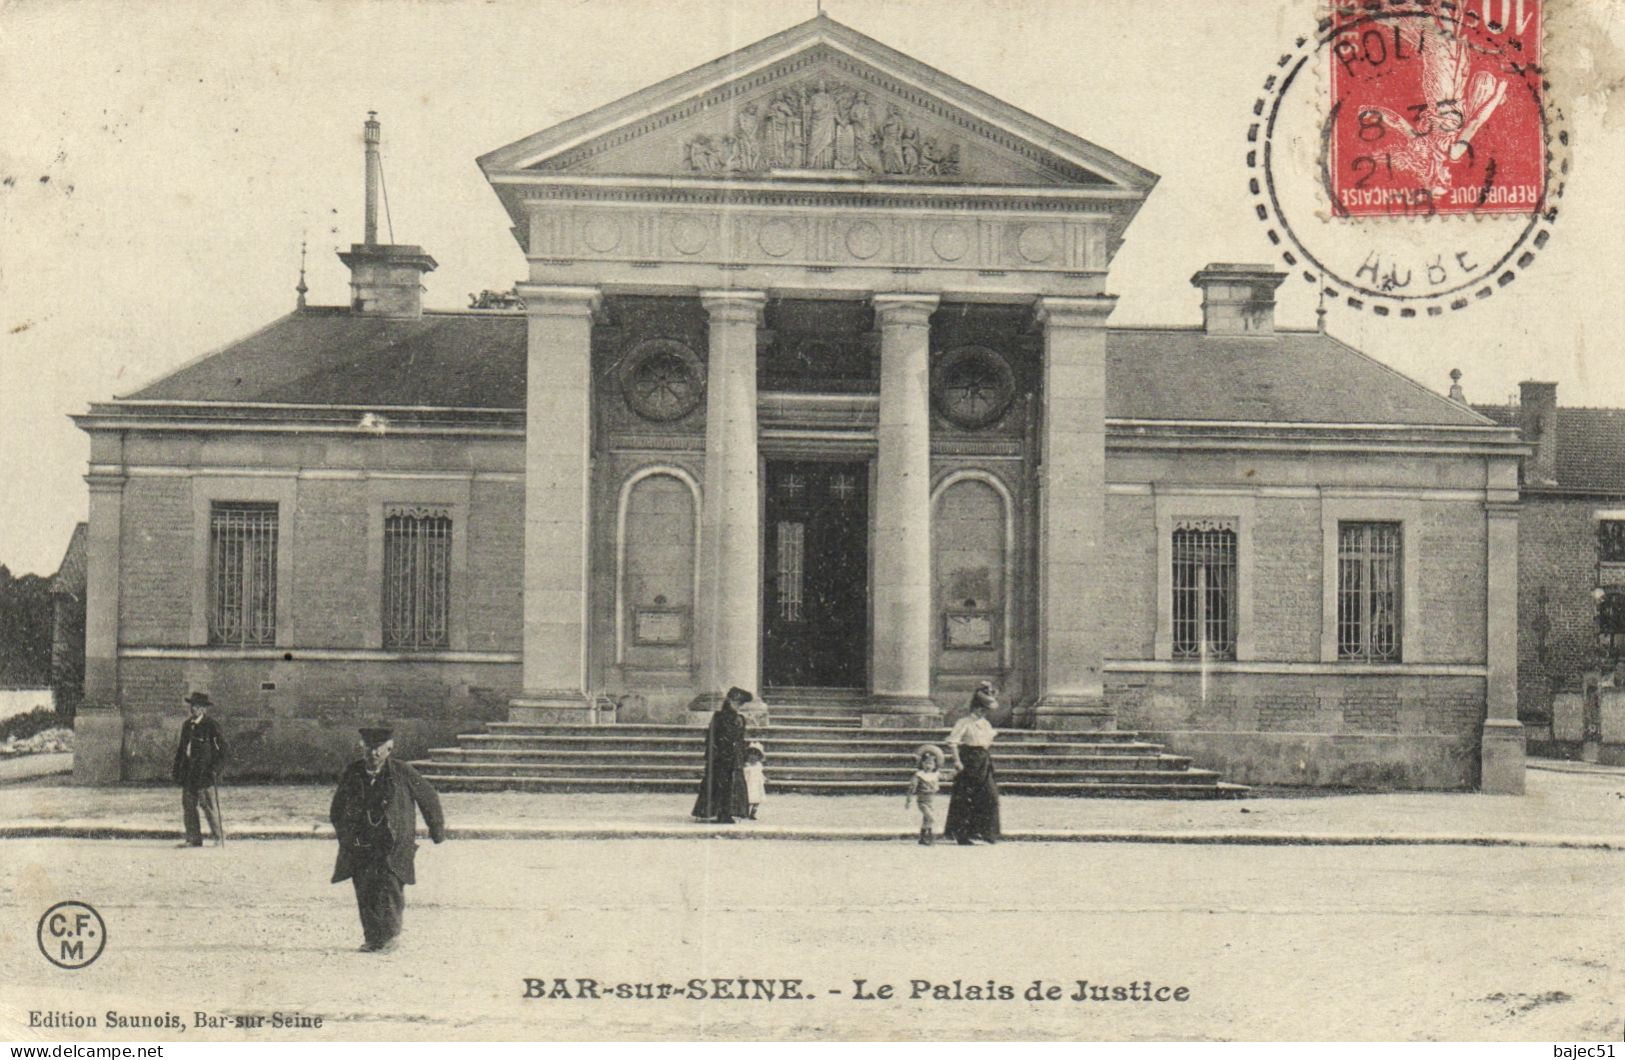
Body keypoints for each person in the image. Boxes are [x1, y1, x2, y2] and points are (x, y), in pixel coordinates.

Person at [329, 726, 446, 954]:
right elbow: (337, 808)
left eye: (378, 750)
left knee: (390, 888)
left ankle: (390, 936)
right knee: (365, 888)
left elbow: (428, 796)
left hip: (392, 843)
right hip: (362, 844)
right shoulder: (353, 772)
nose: (373, 755)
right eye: (369, 750)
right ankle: (372, 938)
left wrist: (437, 830)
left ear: (389, 749)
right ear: (361, 748)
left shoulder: (402, 772)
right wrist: (346, 835)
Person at [944, 682, 1001, 846]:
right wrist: (957, 761)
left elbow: (987, 742)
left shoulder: (985, 724)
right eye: (981, 709)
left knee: (990, 795)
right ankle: (962, 834)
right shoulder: (964, 722)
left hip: (983, 760)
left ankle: (985, 832)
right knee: (966, 798)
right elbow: (953, 742)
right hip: (968, 759)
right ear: (975, 708)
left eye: (985, 710)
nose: (983, 713)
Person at [171, 690, 228, 848]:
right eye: (192, 706)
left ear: (204, 709)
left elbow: (222, 750)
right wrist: (177, 770)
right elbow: (181, 750)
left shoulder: (211, 726)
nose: (193, 709)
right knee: (188, 805)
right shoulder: (187, 726)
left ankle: (218, 837)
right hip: (189, 772)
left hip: (205, 773)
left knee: (208, 806)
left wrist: (215, 770)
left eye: (197, 706)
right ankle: (194, 838)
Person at [691, 687, 752, 823]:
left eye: (741, 703)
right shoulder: (718, 717)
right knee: (718, 785)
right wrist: (714, 755)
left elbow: (741, 740)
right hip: (720, 758)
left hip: (734, 757)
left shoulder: (740, 719)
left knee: (732, 785)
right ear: (729, 701)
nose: (738, 706)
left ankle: (728, 813)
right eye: (736, 702)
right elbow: (711, 738)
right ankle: (718, 813)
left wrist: (743, 756)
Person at [904, 744, 943, 846]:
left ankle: (924, 836)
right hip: (922, 801)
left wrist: (957, 772)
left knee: (926, 819)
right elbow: (912, 787)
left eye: (930, 763)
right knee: (931, 818)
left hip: (931, 801)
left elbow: (947, 777)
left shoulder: (935, 774)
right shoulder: (919, 775)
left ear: (935, 765)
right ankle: (928, 835)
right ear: (921, 764)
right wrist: (908, 800)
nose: (928, 765)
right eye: (925, 763)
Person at [741, 742, 767, 820]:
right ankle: (746, 812)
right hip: (749, 784)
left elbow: (760, 774)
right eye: (751, 754)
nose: (753, 756)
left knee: (757, 801)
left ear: (759, 757)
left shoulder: (759, 765)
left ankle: (753, 813)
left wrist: (764, 778)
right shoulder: (746, 766)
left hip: (757, 785)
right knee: (748, 799)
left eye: (755, 754)